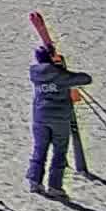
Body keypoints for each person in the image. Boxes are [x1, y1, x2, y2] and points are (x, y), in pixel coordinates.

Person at [27, 44, 93, 198]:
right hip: (60, 119)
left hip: (40, 117)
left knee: (39, 149)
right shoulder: (60, 75)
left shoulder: (35, 74)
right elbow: (86, 79)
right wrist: (63, 70)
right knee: (59, 151)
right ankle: (55, 186)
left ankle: (35, 181)